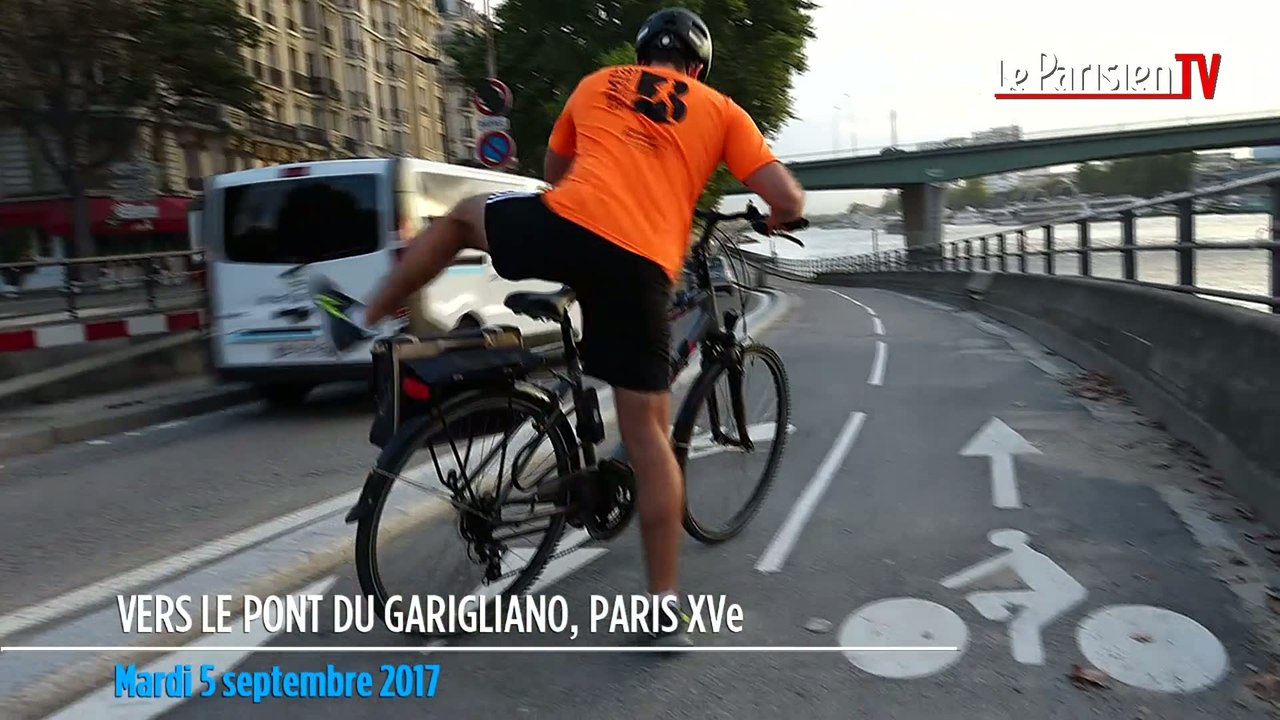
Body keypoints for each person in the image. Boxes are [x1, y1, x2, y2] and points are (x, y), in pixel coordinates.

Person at [362, 6, 805, 647]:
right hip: (640, 259)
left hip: (567, 222)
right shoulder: (721, 109)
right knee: (649, 436)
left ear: (641, 52)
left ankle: (374, 311)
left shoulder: (600, 82)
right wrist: (772, 219)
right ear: (698, 65)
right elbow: (786, 198)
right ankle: (661, 611)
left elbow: (554, 171)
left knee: (460, 218)